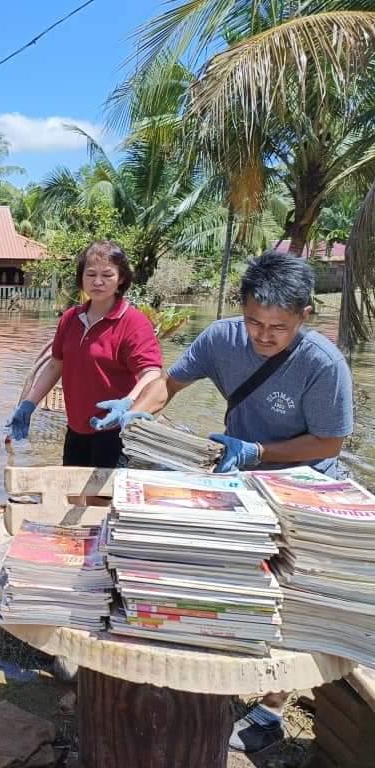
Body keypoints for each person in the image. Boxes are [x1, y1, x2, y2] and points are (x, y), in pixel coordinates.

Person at [123, 250, 353, 753]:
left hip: (303, 483)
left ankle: (271, 708)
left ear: (305, 317)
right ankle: (217, 671)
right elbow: (170, 384)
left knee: (296, 595)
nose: (264, 336)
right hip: (237, 477)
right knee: (224, 573)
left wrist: (259, 451)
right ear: (241, 308)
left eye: (279, 327)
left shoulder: (323, 364)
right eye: (254, 322)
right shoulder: (221, 339)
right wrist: (134, 413)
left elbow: (329, 444)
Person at [6, 241, 163, 466]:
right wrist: (29, 404)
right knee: (74, 495)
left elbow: (152, 373)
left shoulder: (133, 322)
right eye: (91, 274)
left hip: (115, 430)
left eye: (107, 275)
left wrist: (127, 402)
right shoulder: (70, 319)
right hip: (76, 428)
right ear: (81, 278)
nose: (98, 281)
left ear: (121, 279)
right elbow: (54, 366)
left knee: (101, 500)